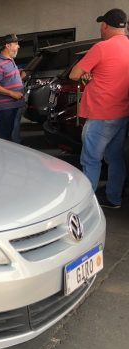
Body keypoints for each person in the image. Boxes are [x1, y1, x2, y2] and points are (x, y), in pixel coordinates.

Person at [69, 9, 129, 209]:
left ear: (105, 26)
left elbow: (74, 74)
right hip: (122, 113)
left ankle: (85, 206)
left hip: (101, 114)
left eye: (102, 25)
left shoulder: (101, 47)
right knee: (115, 158)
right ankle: (113, 198)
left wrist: (87, 72)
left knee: (90, 160)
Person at [0, 34, 26, 143]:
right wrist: (12, 94)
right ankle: (5, 153)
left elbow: (7, 79)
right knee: (5, 138)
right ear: (8, 46)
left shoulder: (10, 60)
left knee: (13, 135)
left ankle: (15, 151)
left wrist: (20, 75)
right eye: (16, 44)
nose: (18, 46)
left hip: (14, 105)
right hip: (5, 108)